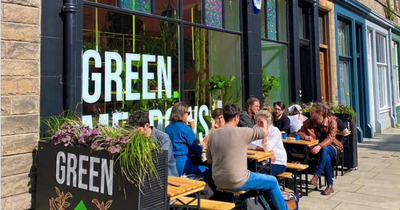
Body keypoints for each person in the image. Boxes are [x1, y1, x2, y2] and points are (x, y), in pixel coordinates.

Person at [206, 104, 288, 210]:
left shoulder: (214, 135)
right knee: (272, 181)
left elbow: (209, 160)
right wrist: (264, 124)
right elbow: (265, 132)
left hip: (218, 180)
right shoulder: (242, 132)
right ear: (236, 118)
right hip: (238, 180)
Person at [297, 103, 343, 195]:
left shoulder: (332, 121)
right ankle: (330, 185)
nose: (310, 114)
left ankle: (316, 175)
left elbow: (330, 138)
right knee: (326, 158)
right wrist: (306, 137)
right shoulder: (309, 122)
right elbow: (299, 133)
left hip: (333, 147)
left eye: (312, 112)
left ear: (319, 114)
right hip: (318, 150)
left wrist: (319, 146)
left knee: (325, 150)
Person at [128, 110, 179, 177]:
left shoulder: (163, 138)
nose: (133, 133)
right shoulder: (133, 139)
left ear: (146, 125)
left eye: (136, 129)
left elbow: (161, 161)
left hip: (168, 179)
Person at [165, 101, 209, 176]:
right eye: (188, 113)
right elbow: (196, 150)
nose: (188, 116)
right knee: (208, 170)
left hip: (170, 165)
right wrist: (202, 146)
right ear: (182, 114)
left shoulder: (167, 129)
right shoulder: (186, 130)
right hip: (183, 166)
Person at [248, 110, 287, 176]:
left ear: (268, 122)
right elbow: (248, 144)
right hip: (261, 161)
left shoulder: (275, 131)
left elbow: (268, 148)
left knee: (261, 176)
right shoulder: (255, 128)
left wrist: (264, 131)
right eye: (257, 121)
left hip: (277, 162)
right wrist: (262, 149)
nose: (259, 124)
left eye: (262, 122)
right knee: (246, 171)